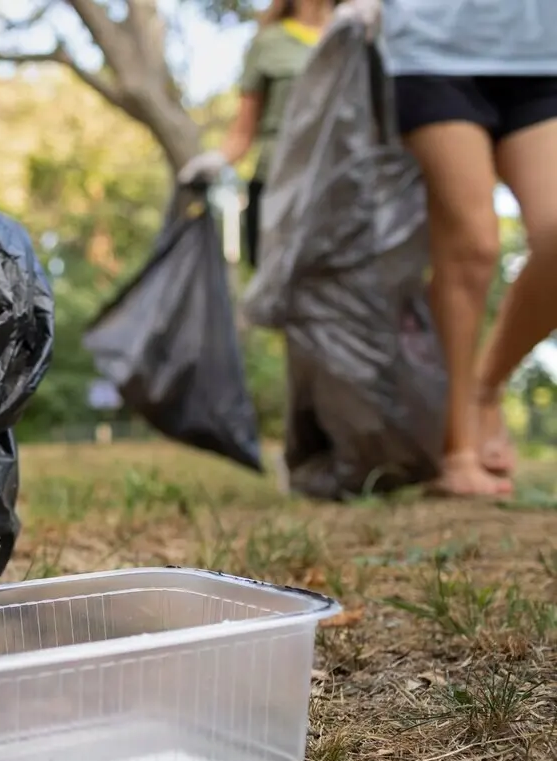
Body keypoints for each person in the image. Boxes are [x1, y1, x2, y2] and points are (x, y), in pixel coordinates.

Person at [332, 0, 557, 497]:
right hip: (429, 50)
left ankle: (486, 385)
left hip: (541, 53)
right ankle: (455, 449)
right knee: (470, 246)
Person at [178, 0, 341, 268]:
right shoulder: (269, 44)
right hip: (276, 188)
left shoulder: (357, 35)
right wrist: (216, 160)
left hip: (339, 189)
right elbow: (243, 132)